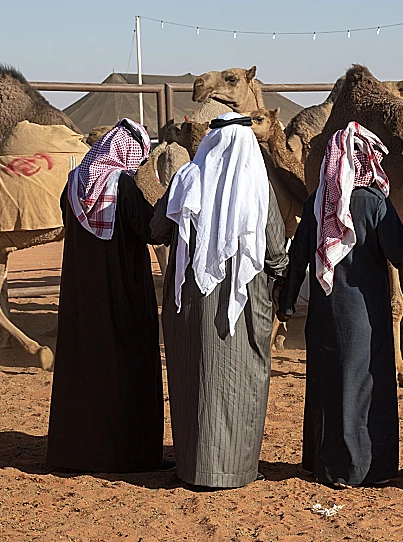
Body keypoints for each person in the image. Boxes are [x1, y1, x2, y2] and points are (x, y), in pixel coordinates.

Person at [151, 112, 288, 489]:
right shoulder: (258, 186)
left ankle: (192, 467)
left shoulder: (185, 180)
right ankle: (236, 470)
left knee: (192, 376)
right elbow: (276, 251)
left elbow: (156, 229)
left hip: (190, 302)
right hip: (241, 302)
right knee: (241, 380)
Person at [277, 122, 403, 488]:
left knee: (328, 384)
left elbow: (299, 258)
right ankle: (371, 469)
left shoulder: (316, 203)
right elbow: (400, 253)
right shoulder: (375, 203)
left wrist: (286, 305)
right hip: (367, 315)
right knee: (366, 385)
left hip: (325, 312)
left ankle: (325, 465)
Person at [47, 118, 165, 473]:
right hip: (123, 294)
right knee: (125, 364)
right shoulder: (122, 187)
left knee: (85, 365)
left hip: (83, 297)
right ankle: (129, 455)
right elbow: (150, 230)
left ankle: (79, 452)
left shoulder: (72, 184)